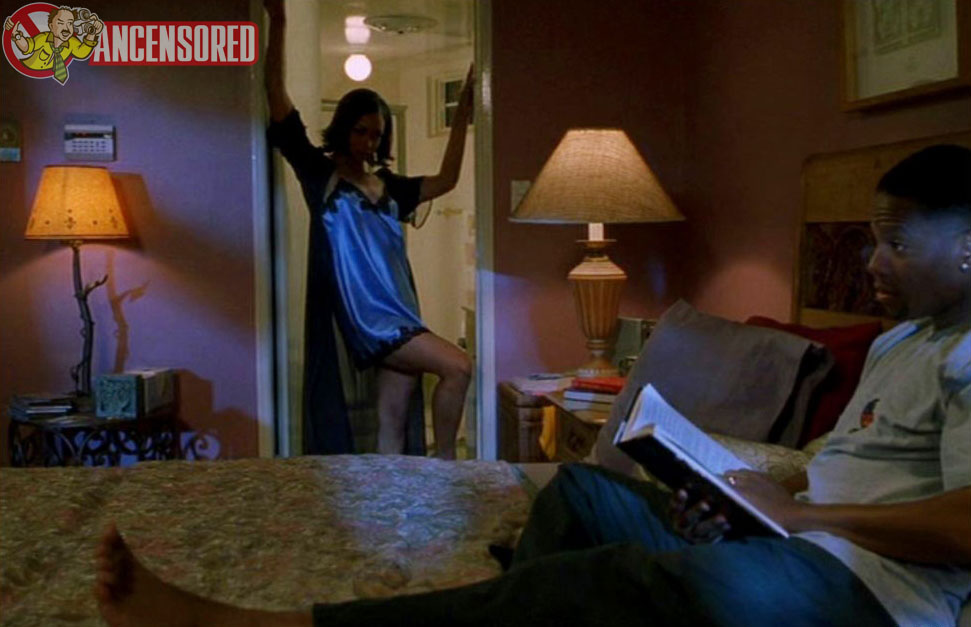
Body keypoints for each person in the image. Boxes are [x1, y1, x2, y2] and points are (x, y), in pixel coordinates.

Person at [94, 144, 970, 625]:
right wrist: (747, 494)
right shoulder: (900, 340)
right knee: (582, 492)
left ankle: (270, 626)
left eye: (894, 242)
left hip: (868, 593)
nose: (871, 261)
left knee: (606, 579)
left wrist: (802, 516)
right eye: (870, 239)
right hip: (795, 535)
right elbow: (839, 461)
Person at [264, 0, 473, 458]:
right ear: (344, 128)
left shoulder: (391, 186)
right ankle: (446, 470)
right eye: (360, 131)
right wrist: (278, 22)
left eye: (376, 134)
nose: (368, 142)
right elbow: (278, 100)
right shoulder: (320, 175)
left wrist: (462, 115)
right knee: (459, 366)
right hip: (372, 323)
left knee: (391, 425)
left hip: (402, 316)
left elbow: (447, 180)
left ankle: (390, 496)